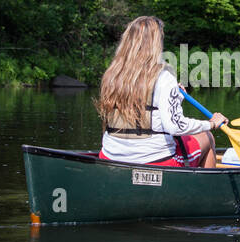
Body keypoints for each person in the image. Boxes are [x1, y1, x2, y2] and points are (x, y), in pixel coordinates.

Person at [96, 16, 228, 168]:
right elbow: (175, 127)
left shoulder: (112, 74)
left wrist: (175, 98)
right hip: (157, 160)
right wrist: (211, 124)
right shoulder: (164, 77)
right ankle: (206, 189)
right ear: (155, 43)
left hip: (110, 156)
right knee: (207, 137)